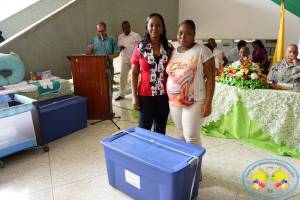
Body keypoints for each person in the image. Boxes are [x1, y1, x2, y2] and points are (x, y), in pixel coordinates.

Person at [166, 20, 215, 147]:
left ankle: (196, 165)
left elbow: (210, 78)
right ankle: (185, 164)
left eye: (187, 33)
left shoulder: (202, 50)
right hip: (175, 100)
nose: (183, 36)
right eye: (180, 33)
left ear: (194, 34)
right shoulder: (173, 52)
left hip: (195, 100)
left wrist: (208, 102)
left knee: (191, 137)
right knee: (181, 134)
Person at [131, 13, 173, 135]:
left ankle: (157, 153)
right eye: (152, 25)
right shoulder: (140, 47)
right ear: (147, 27)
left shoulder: (169, 48)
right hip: (145, 95)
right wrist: (134, 96)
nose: (155, 28)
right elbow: (134, 72)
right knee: (143, 130)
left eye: (158, 25)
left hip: (164, 96)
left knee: (160, 129)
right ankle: (143, 153)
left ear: (163, 27)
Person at [115, 21, 141, 101]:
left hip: (134, 60)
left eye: (126, 28)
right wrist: (120, 48)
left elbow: (141, 46)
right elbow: (118, 47)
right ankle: (122, 95)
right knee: (122, 77)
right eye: (123, 28)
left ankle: (139, 94)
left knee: (136, 77)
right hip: (124, 60)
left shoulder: (135, 35)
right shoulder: (120, 36)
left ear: (129, 27)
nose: (125, 30)